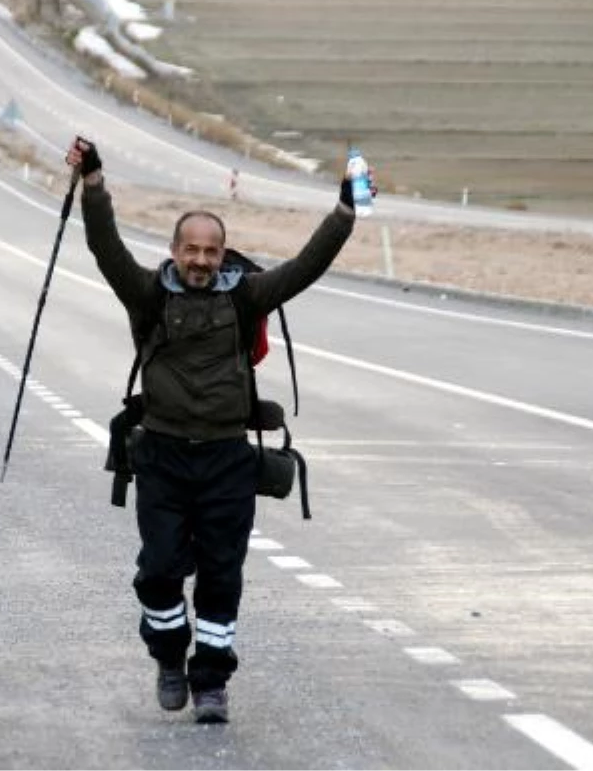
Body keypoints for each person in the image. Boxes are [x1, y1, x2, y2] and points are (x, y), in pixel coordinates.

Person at [66, 137, 369, 724]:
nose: (201, 261)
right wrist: (95, 183)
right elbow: (105, 248)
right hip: (160, 456)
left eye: (211, 251)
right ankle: (168, 655)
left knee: (221, 576)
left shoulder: (248, 296)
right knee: (158, 573)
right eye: (191, 250)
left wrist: (344, 212)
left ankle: (210, 682)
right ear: (175, 251)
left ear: (223, 253)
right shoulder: (148, 295)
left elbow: (307, 267)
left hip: (228, 461)